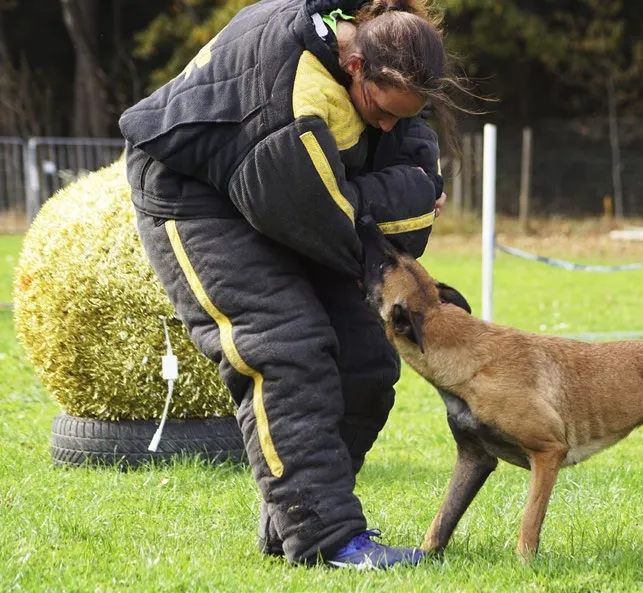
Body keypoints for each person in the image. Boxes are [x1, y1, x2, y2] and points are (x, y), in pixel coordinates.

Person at [119, 0, 455, 569]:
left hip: (279, 191)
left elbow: (408, 152)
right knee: (285, 348)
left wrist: (411, 182)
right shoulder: (294, 102)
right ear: (355, 68)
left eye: (407, 113)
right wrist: (418, 199)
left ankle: (293, 524)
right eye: (383, 109)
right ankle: (328, 541)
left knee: (368, 360)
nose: (390, 124)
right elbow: (335, 224)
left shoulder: (383, 63)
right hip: (193, 196)